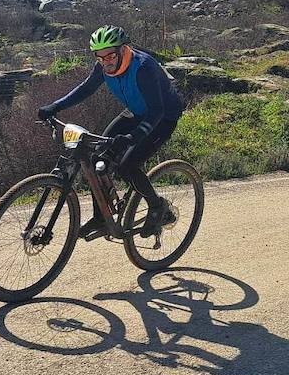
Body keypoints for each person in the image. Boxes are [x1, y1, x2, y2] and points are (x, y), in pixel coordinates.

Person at [37, 25, 184, 239]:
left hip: (163, 117)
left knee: (128, 166)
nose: (106, 62)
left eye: (110, 56)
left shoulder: (143, 68)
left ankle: (157, 206)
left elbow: (157, 111)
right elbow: (86, 89)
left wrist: (133, 137)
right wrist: (56, 106)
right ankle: (101, 217)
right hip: (135, 112)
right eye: (100, 57)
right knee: (98, 156)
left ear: (123, 50)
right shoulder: (103, 67)